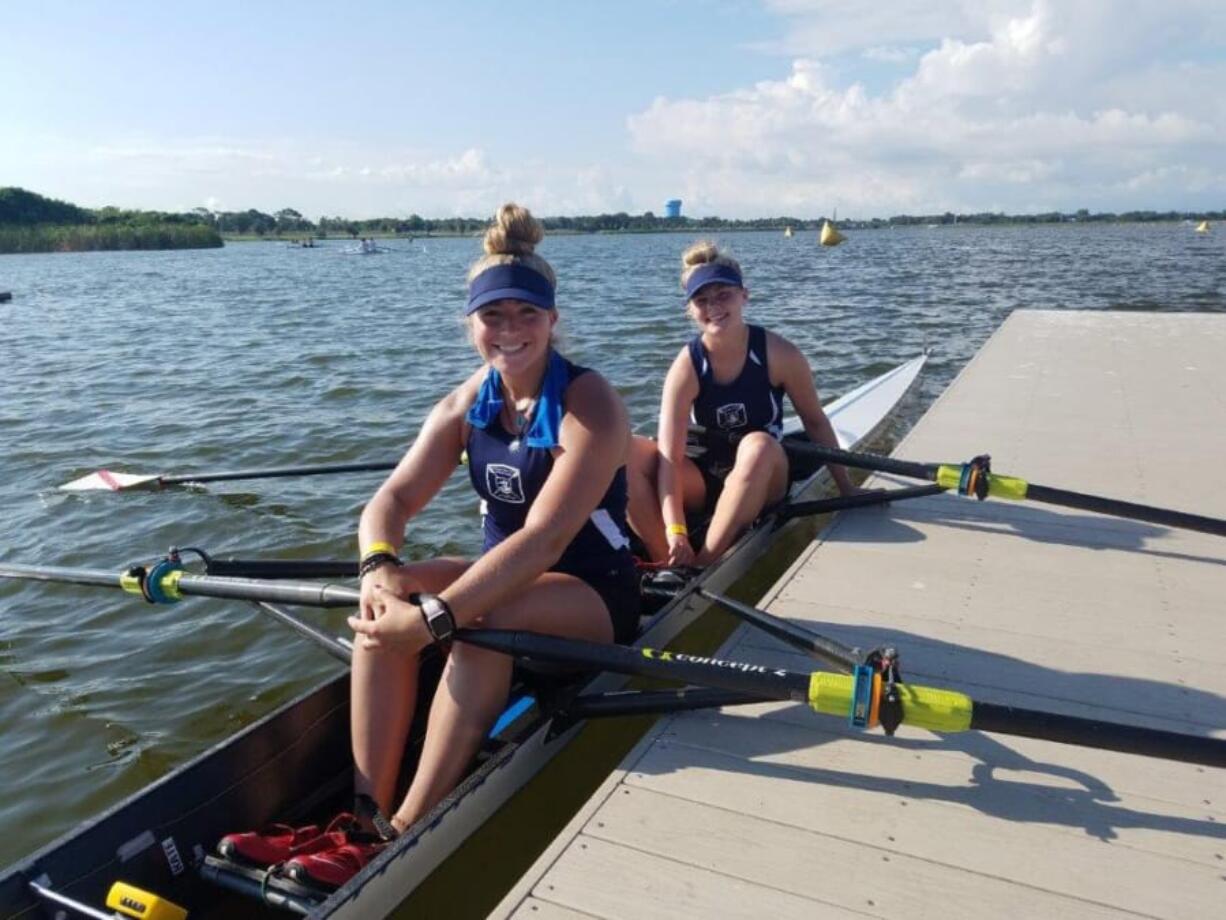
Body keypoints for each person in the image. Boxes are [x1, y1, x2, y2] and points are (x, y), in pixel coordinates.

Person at [247, 204, 640, 887]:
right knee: (387, 599)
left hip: (595, 596)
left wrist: (438, 618)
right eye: (494, 317)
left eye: (526, 315)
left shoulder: (589, 402)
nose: (510, 331)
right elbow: (390, 502)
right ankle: (364, 814)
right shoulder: (467, 403)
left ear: (552, 320)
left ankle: (404, 832)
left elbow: (545, 541)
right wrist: (377, 568)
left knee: (480, 620)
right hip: (509, 579)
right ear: (472, 325)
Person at [626, 241, 855, 567]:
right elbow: (670, 458)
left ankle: (702, 564)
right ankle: (667, 558)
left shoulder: (780, 354)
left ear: (744, 295)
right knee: (625, 451)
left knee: (757, 445)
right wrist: (675, 529)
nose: (713, 307)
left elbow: (815, 421)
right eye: (702, 300)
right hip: (704, 472)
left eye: (724, 295)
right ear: (690, 310)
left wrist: (846, 487)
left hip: (764, 471)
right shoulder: (686, 366)